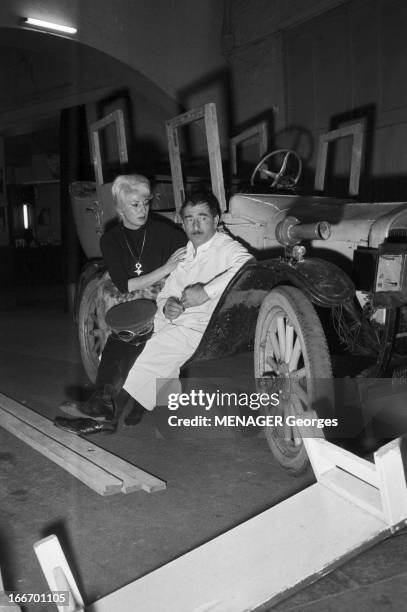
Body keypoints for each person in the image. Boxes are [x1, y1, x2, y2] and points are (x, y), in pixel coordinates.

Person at [57, 174, 186, 430]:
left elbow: (190, 258)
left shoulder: (165, 232)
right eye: (135, 205)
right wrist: (166, 267)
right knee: (127, 330)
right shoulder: (111, 239)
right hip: (127, 302)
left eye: (146, 203)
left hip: (162, 302)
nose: (143, 210)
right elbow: (125, 284)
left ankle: (105, 408)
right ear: (120, 208)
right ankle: (106, 410)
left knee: (128, 334)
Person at [120, 190, 252, 416]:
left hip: (201, 328)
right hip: (173, 323)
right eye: (189, 219)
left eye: (203, 217)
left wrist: (206, 292)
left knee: (139, 355)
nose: (196, 225)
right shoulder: (185, 253)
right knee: (123, 343)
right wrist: (167, 305)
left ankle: (104, 413)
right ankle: (145, 398)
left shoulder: (226, 247)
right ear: (183, 223)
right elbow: (166, 293)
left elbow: (249, 265)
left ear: (216, 221)